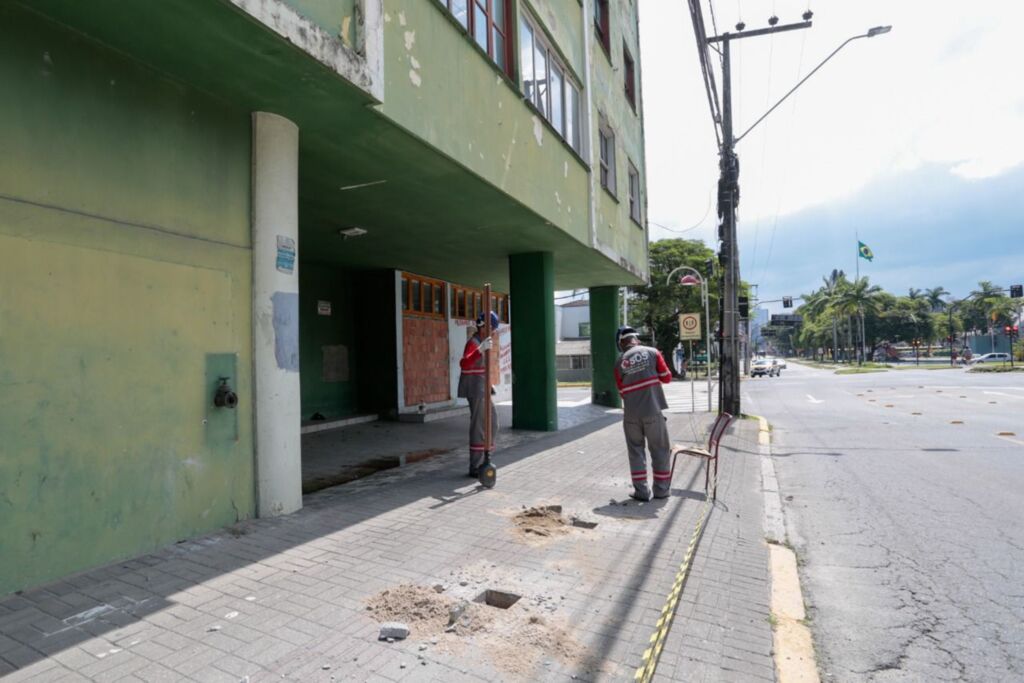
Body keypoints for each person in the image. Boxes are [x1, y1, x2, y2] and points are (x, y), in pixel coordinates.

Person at [614, 326, 673, 501]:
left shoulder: (618, 363)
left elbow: (622, 391)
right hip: (653, 412)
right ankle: (661, 490)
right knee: (660, 450)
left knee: (635, 452)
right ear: (636, 340)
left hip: (631, 415)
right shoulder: (653, 352)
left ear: (621, 343)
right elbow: (667, 377)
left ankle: (641, 492)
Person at [458, 311, 500, 476]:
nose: (495, 332)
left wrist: (489, 384)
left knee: (493, 422)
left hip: (482, 388)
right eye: (493, 328)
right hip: (475, 389)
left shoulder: (483, 342)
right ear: (485, 327)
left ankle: (485, 459)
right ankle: (475, 466)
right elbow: (464, 363)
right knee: (479, 428)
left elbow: (482, 368)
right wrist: (480, 350)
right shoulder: (474, 343)